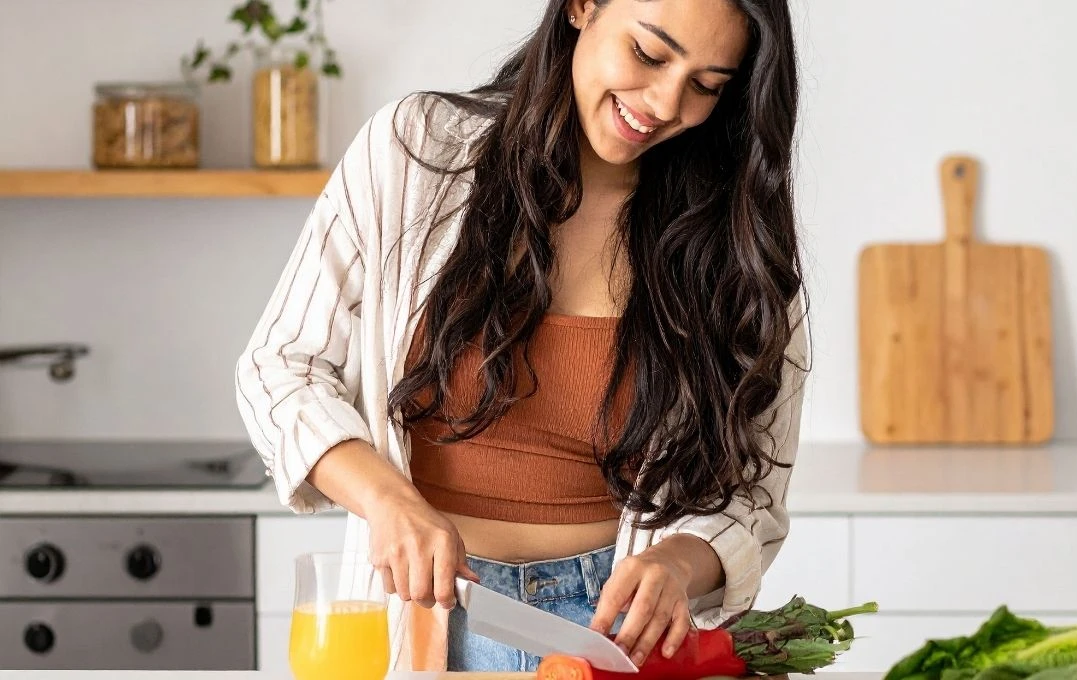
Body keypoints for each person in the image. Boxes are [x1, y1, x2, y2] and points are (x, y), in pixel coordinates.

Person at [235, 0, 809, 673]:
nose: (664, 101)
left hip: (612, 636)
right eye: (650, 54)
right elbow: (281, 366)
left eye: (707, 85)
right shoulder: (416, 153)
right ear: (582, 6)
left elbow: (753, 496)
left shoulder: (733, 242)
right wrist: (386, 501)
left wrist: (680, 564)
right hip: (425, 617)